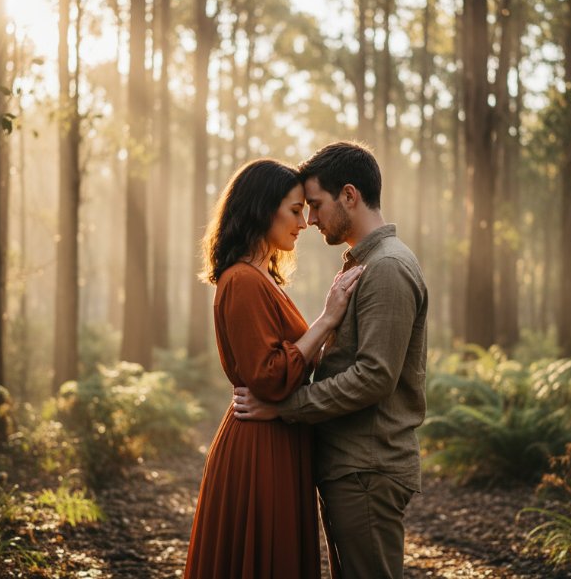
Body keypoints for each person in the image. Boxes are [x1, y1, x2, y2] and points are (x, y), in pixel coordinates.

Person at [233, 141, 429, 579]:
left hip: (368, 466)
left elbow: (375, 377)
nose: (311, 219)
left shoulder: (388, 267)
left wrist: (284, 409)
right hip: (353, 465)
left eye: (317, 205)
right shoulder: (364, 264)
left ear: (349, 195)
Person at [183, 158, 364, 579]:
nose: (304, 223)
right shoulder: (243, 280)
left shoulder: (264, 278)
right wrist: (326, 320)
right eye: (295, 210)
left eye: (305, 210)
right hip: (258, 446)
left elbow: (290, 359)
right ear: (264, 209)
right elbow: (266, 375)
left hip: (278, 438)